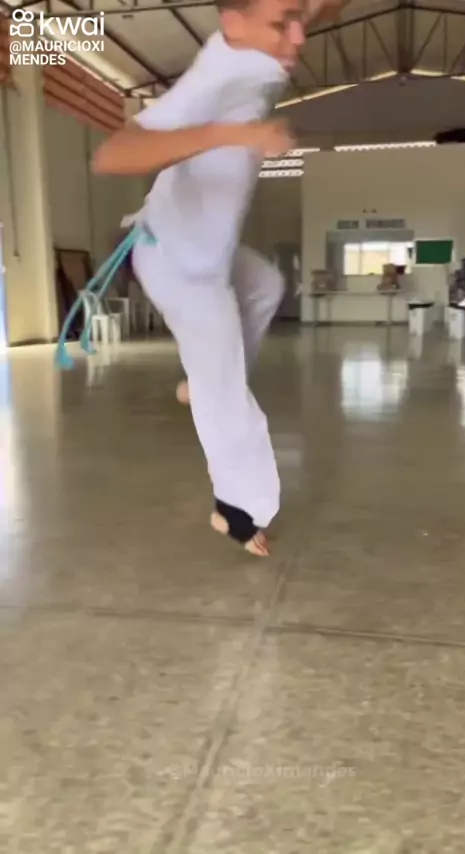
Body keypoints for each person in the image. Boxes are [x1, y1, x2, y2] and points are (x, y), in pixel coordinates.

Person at [93, 0, 348, 557]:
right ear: (233, 22)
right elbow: (112, 155)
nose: (298, 37)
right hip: (177, 263)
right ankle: (235, 510)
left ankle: (197, 382)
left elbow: (319, 7)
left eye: (299, 18)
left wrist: (302, 13)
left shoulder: (261, 41)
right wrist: (230, 134)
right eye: (282, 23)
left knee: (265, 285)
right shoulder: (211, 81)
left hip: (209, 251)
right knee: (226, 387)